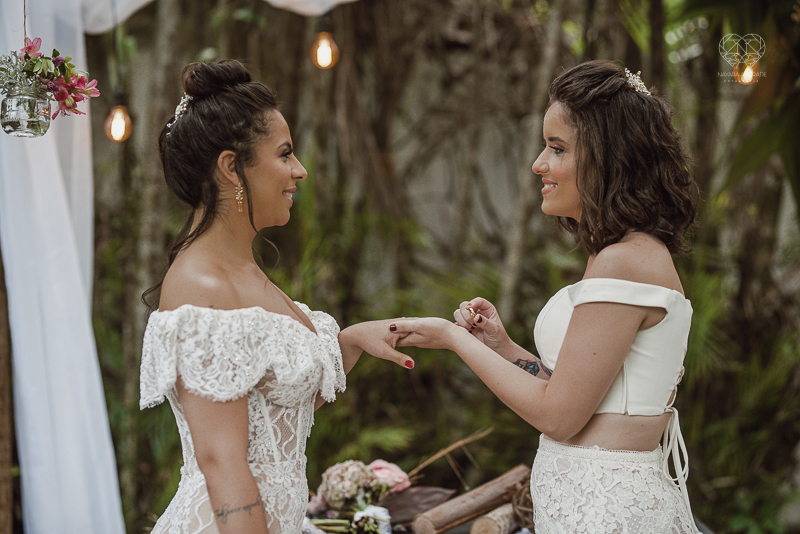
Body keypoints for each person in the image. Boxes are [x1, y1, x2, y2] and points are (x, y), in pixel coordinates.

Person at [388, 60, 700, 533]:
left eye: (556, 148)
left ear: (608, 157)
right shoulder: (621, 254)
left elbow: (559, 417)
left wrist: (455, 340)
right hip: (588, 506)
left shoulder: (625, 260)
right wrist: (503, 349)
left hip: (608, 514)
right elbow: (577, 393)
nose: (539, 164)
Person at [138, 60, 412, 534]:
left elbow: (275, 417)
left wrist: (349, 342)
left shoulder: (244, 269)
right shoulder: (201, 287)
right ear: (230, 167)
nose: (299, 171)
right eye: (285, 154)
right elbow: (222, 462)